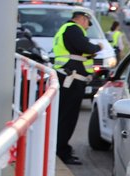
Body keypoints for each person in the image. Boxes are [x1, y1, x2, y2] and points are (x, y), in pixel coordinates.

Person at [52, 11, 103, 165]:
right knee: (67, 117)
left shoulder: (67, 29)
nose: (87, 27)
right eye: (88, 23)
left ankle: (61, 148)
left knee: (64, 116)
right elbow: (85, 47)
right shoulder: (73, 28)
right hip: (70, 80)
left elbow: (76, 51)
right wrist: (97, 47)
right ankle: (61, 151)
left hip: (69, 79)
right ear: (82, 18)